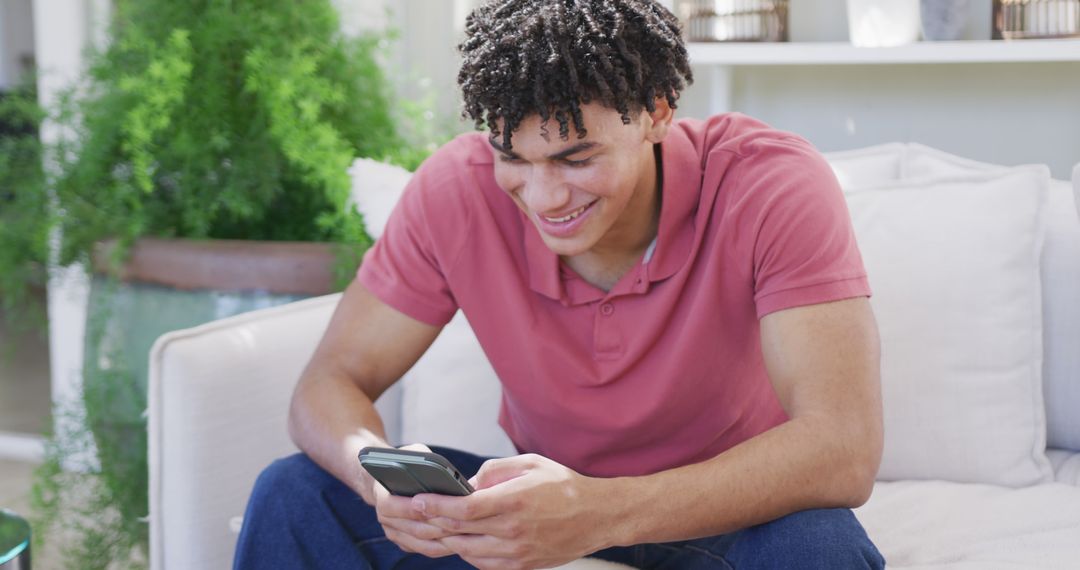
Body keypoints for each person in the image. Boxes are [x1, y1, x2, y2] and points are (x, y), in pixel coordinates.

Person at [234, 1, 886, 568]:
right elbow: (329, 382)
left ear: (656, 113)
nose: (544, 197)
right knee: (295, 495)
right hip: (533, 509)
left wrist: (597, 511)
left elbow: (843, 447)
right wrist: (376, 479)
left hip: (723, 513)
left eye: (577, 158)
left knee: (820, 548)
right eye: (512, 157)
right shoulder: (455, 191)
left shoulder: (768, 183)